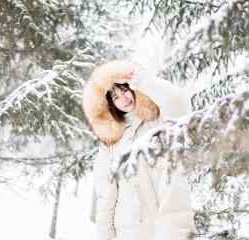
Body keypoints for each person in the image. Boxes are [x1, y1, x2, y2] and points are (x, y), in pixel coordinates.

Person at [82, 60, 195, 240]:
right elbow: (105, 196)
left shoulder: (158, 120)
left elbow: (179, 103)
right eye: (116, 97)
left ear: (133, 87)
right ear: (110, 104)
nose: (123, 99)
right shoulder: (111, 140)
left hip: (163, 229)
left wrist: (143, 80)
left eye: (124, 90)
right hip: (126, 232)